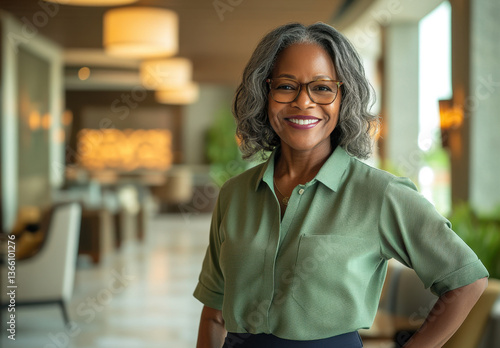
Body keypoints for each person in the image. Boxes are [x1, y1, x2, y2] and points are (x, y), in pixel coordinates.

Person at [193, 22, 489, 348]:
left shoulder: (381, 194)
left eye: (322, 88)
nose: (303, 102)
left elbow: (466, 281)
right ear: (264, 94)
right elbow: (214, 313)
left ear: (343, 98)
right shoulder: (234, 195)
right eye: (286, 86)